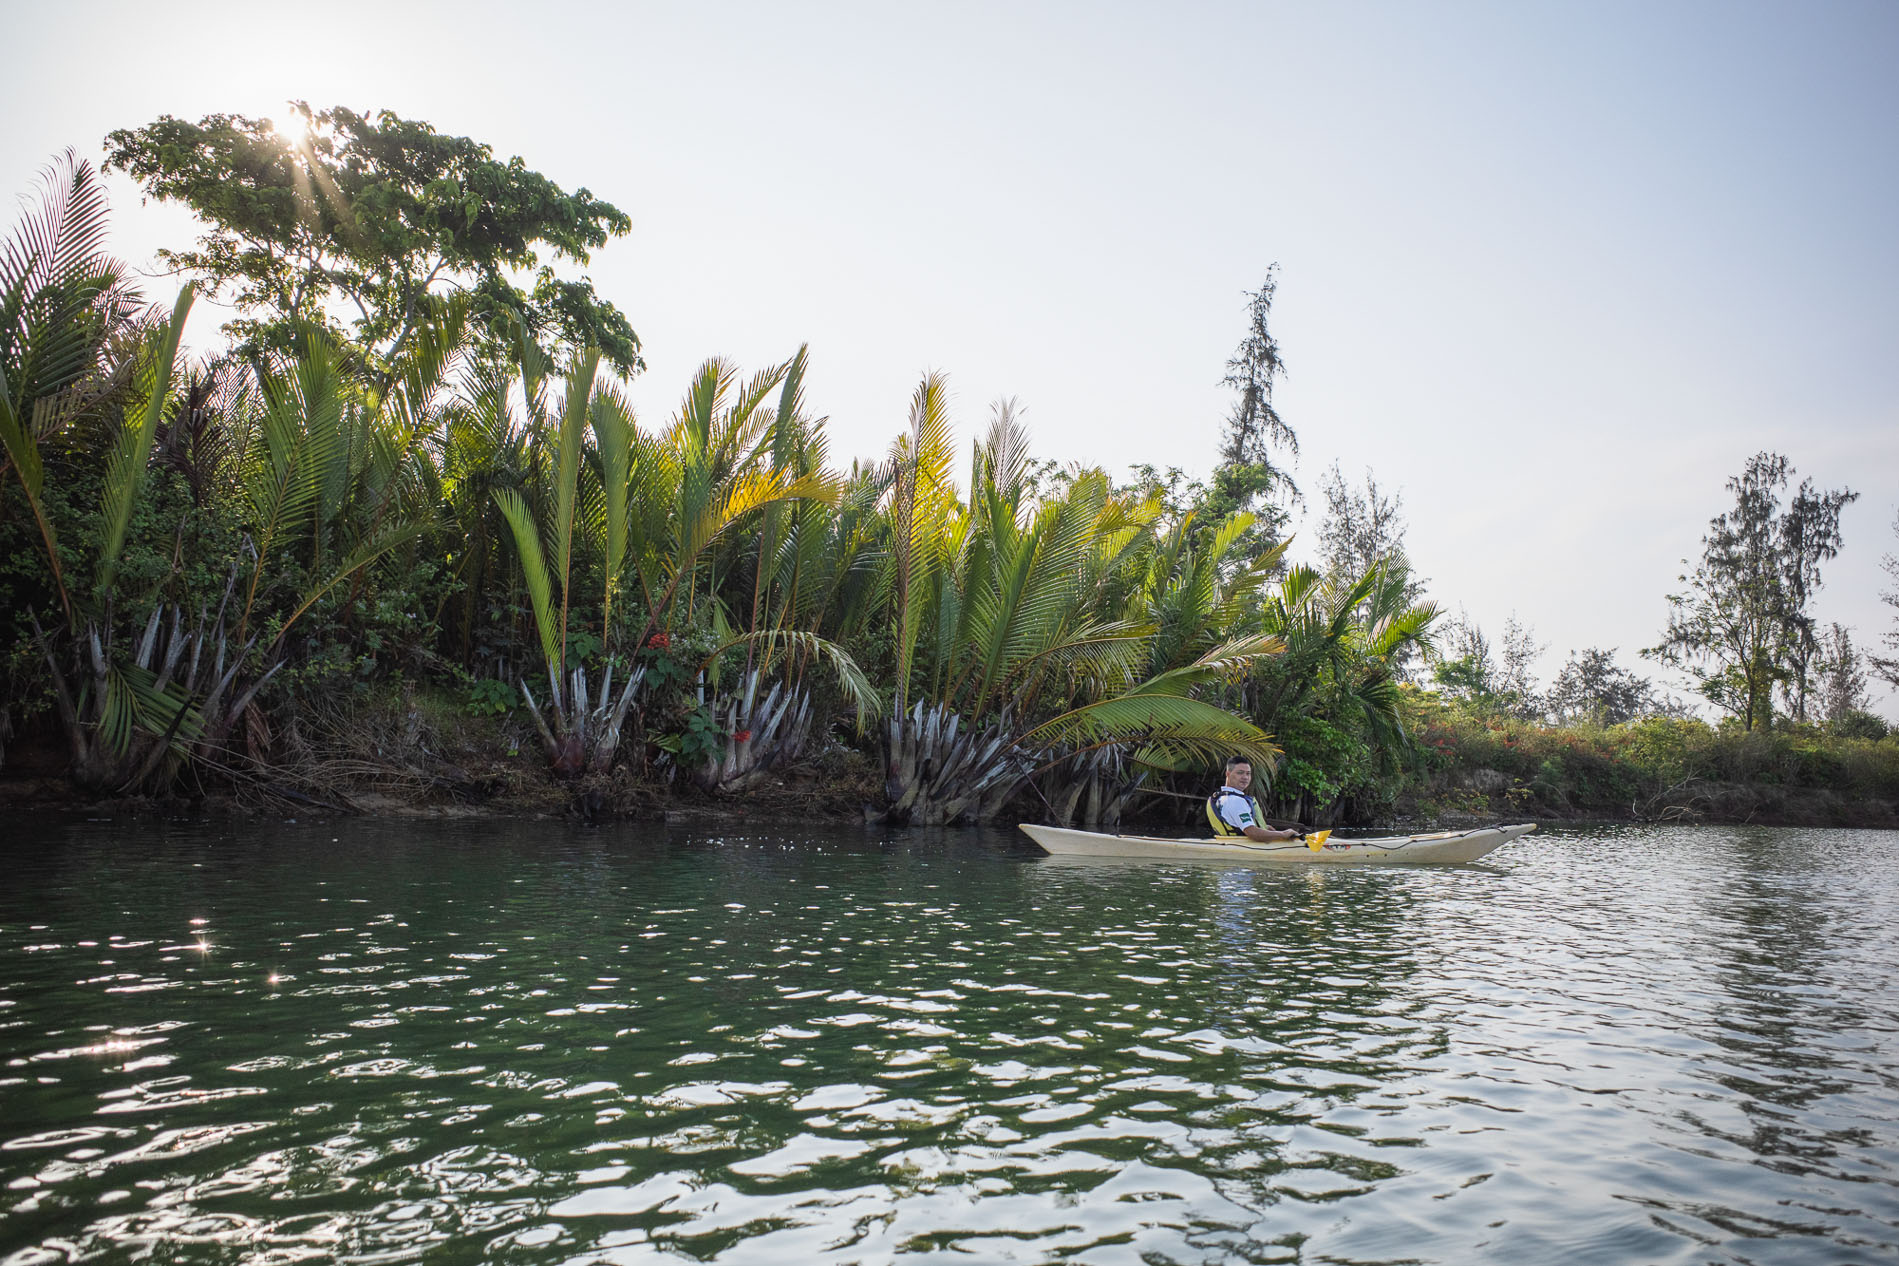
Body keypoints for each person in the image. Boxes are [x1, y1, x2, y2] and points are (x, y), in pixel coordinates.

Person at [1206, 755, 1304, 843]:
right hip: (1244, 847)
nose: (1245, 777)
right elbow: (1252, 833)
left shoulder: (1221, 798)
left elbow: (1236, 824)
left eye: (1248, 773)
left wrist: (1265, 828)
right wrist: (1282, 834)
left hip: (1228, 844)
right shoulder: (1236, 801)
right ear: (1228, 774)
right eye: (1240, 773)